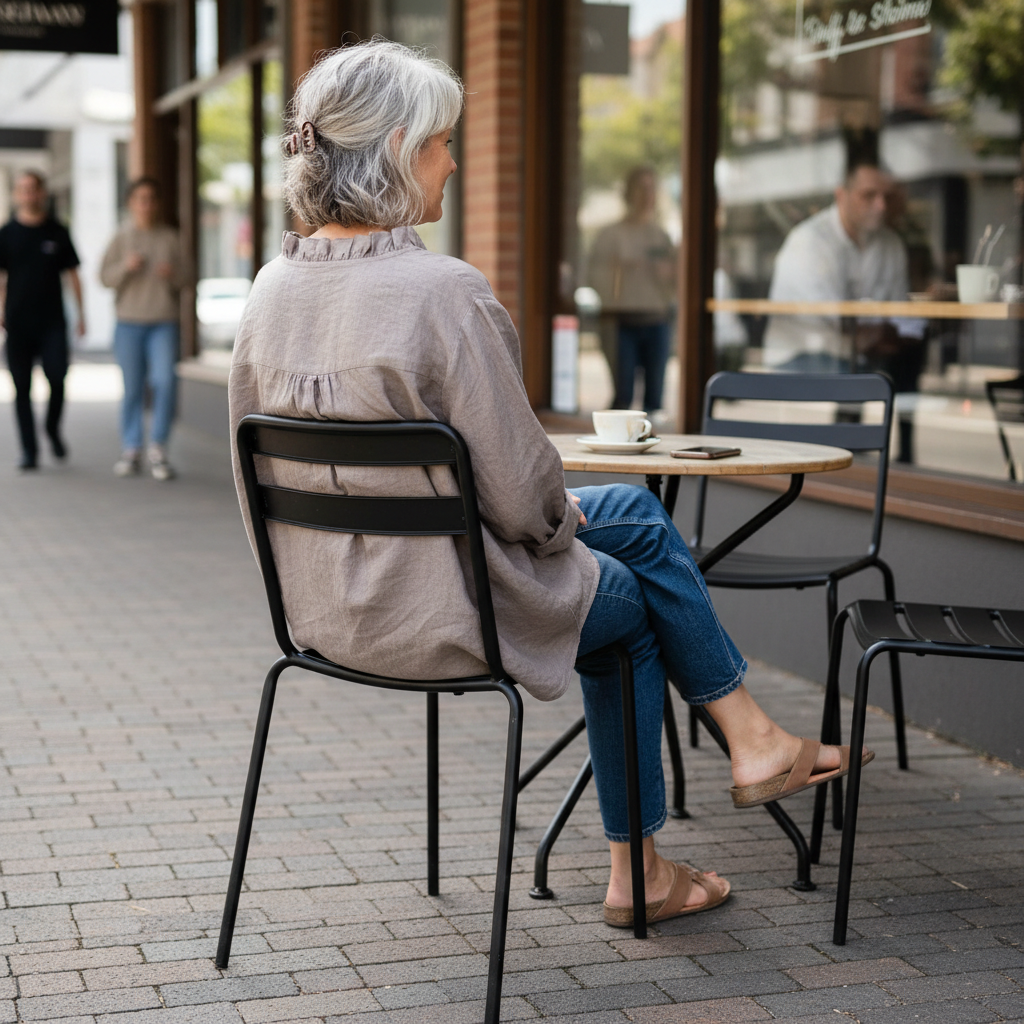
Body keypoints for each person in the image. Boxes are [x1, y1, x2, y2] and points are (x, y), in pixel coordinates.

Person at [228, 40, 871, 928]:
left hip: (321, 613)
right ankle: (651, 858)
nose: (454, 161)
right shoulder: (443, 292)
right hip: (449, 611)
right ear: (401, 149)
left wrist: (553, 516)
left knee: (635, 518)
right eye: (445, 141)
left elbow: (251, 477)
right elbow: (525, 502)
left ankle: (755, 738)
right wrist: (556, 517)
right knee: (634, 604)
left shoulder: (267, 290)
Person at [764, 160, 926, 383]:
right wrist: (883, 331)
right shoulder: (810, 241)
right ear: (841, 195)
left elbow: (899, 314)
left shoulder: (890, 243)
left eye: (887, 197)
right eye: (868, 195)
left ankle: (904, 415)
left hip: (860, 358)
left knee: (908, 365)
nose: (881, 206)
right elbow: (836, 321)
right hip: (802, 357)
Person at [0, 171, 84, 470]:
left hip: (52, 323)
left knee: (58, 379)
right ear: (16, 195)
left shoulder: (57, 231)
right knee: (21, 388)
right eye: (22, 189)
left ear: (41, 193)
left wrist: (81, 315)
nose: (28, 194)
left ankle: (51, 429)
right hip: (18, 323)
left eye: (33, 189)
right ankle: (29, 451)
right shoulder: (6, 233)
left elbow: (73, 274)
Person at [100, 177, 183, 480]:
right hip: (129, 324)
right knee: (133, 388)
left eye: (151, 198)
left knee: (165, 382)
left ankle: (158, 447)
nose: (146, 204)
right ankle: (132, 447)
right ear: (131, 203)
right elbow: (104, 278)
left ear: (157, 204)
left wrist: (172, 274)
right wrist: (126, 267)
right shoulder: (120, 238)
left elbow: (187, 278)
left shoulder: (170, 238)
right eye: (140, 198)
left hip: (163, 322)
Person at [587, 166, 676, 413]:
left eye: (652, 188)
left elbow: (678, 285)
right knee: (622, 397)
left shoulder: (662, 236)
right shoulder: (610, 235)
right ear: (629, 192)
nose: (647, 194)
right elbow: (594, 278)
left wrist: (668, 274)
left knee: (655, 401)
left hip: (657, 322)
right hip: (620, 323)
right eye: (641, 188)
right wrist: (618, 272)